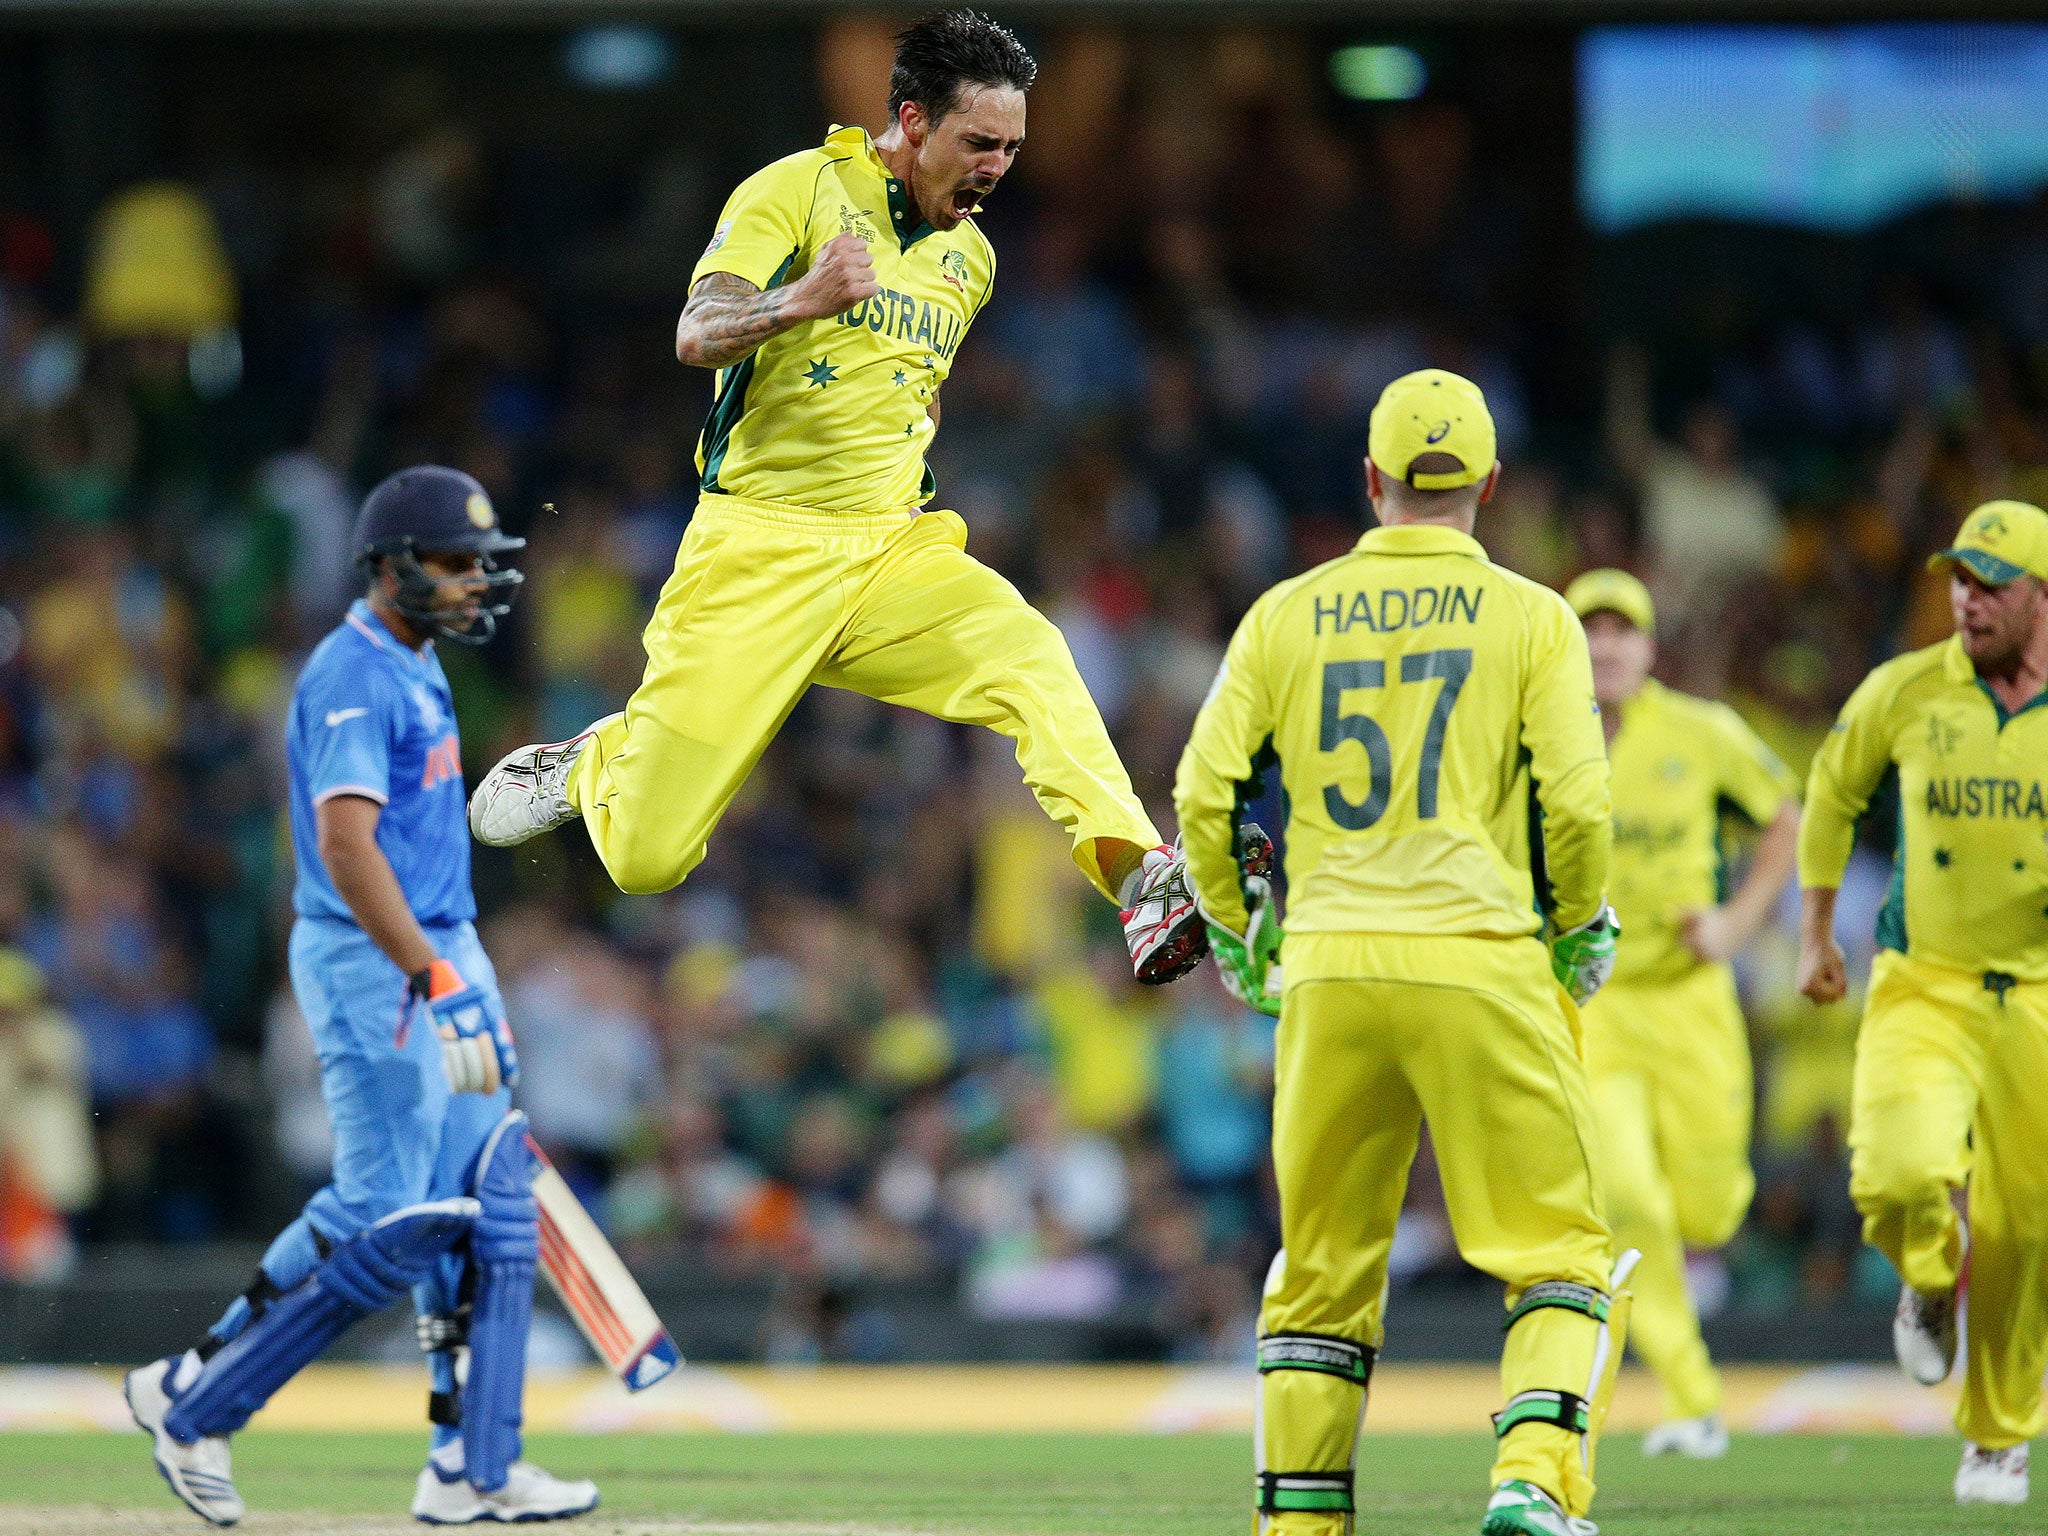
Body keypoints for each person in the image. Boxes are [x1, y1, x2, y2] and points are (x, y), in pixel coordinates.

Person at [469, 11, 1246, 986]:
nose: (996, 168)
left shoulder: (973, 260)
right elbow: (696, 330)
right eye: (978, 143)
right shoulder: (796, 193)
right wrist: (795, 303)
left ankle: (1141, 879)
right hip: (760, 551)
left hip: (888, 549)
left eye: (1010, 147)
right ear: (913, 122)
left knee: (1030, 654)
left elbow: (898, 392)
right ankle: (595, 761)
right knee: (645, 860)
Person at [1175, 368, 1632, 1536]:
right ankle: (1530, 1477)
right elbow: (1576, 808)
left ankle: (1299, 1524)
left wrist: (1238, 927)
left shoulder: (1283, 613)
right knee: (1556, 1250)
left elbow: (1200, 790)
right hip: (1478, 956)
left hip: (1327, 967)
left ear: (1369, 480)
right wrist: (1577, 923)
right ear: (1489, 483)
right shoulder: (1535, 618)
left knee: (1321, 1269)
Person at [124, 467, 598, 1527]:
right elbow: (343, 848)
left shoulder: (414, 661)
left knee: (489, 1201)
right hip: (375, 967)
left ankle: (473, 1463)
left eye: (484, 563)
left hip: (444, 950)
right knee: (390, 1213)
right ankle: (194, 1394)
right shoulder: (352, 673)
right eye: (453, 562)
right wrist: (432, 976)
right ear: (388, 568)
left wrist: (460, 966)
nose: (477, 582)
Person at [1798, 499, 2048, 1508]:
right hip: (1922, 981)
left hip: (2034, 992)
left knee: (2025, 1230)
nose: (1965, 599)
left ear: (2040, 595)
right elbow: (1828, 790)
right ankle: (1926, 1269)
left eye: (1989, 583)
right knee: (1897, 1176)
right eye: (1957, 578)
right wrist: (1816, 934)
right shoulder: (1902, 690)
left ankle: (1995, 1438)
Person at [1566, 569, 1800, 1459]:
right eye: (1592, 630)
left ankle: (1705, 1234)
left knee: (1705, 1212)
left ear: (1650, 648)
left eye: (1624, 631)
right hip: (1596, 1005)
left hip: (1694, 1001)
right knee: (1625, 1195)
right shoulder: (1538, 740)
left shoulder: (1702, 734)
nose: (1608, 646)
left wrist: (1738, 923)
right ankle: (1693, 1394)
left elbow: (1787, 820)